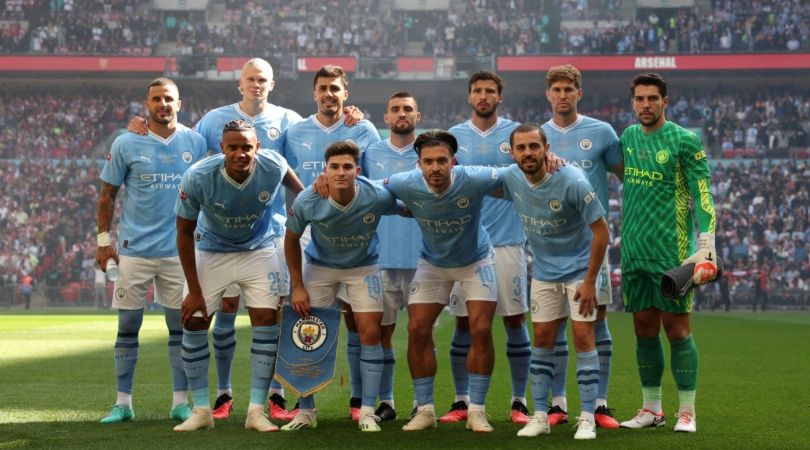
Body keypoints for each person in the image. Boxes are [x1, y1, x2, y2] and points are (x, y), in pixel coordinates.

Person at [127, 58, 362, 421]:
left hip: (270, 238)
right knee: (212, 318)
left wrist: (352, 116)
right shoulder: (209, 138)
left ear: (272, 84)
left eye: (263, 79)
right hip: (215, 243)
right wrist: (146, 124)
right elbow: (181, 136)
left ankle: (270, 400)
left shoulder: (287, 124)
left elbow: (314, 144)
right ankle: (215, 400)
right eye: (250, 79)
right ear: (240, 84)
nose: (256, 84)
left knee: (271, 318)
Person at [173, 119, 304, 432]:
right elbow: (183, 233)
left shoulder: (273, 164)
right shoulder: (198, 177)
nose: (241, 153)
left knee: (266, 321)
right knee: (194, 320)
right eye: (233, 147)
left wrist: (310, 196)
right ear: (222, 149)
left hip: (258, 250)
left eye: (247, 146)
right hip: (211, 251)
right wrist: (193, 290)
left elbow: (297, 188)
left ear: (257, 147)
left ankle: (256, 411)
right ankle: (202, 409)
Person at [96, 77, 207, 424]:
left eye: (168, 98)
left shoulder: (196, 141)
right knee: (128, 324)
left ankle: (179, 402)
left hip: (180, 252)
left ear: (179, 102)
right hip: (134, 250)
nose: (163, 104)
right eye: (156, 98)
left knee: (181, 327)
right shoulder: (127, 142)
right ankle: (123, 404)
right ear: (147, 105)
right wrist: (103, 242)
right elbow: (107, 195)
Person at [385, 130, 503, 433]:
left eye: (441, 161)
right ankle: (425, 410)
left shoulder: (474, 178)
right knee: (417, 328)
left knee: (480, 327)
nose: (435, 168)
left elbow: (516, 174)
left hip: (476, 260)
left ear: (454, 162)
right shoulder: (403, 182)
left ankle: (476, 410)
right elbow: (369, 192)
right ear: (419, 164)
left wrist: (552, 161)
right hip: (433, 264)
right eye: (428, 162)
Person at [618, 73, 717, 433]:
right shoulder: (627, 138)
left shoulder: (685, 141)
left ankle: (687, 412)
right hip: (633, 253)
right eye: (639, 99)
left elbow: (703, 195)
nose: (646, 105)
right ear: (633, 103)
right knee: (643, 330)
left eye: (652, 99)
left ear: (665, 101)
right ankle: (652, 410)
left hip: (672, 256)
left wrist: (707, 246)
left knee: (677, 331)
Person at [283, 64, 380, 421]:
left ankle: (360, 404)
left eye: (335, 89)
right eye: (323, 88)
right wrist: (309, 191)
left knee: (358, 322)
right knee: (307, 324)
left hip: (354, 233)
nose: (329, 94)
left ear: (345, 94)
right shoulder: (295, 131)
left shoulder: (363, 128)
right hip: (308, 230)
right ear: (314, 93)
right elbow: (273, 162)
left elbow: (375, 175)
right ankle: (303, 405)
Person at [282, 141, 401, 432]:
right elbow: (290, 240)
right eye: (334, 167)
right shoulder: (308, 199)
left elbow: (407, 208)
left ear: (357, 171)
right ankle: (306, 410)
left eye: (347, 166)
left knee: (371, 332)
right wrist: (297, 286)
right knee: (306, 334)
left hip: (364, 268)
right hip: (320, 268)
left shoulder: (375, 195)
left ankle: (368, 411)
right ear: (325, 170)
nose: (341, 172)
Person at [501, 123, 609, 440]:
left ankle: (587, 416)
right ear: (513, 153)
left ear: (546, 148)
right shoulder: (511, 178)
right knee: (543, 341)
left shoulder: (572, 179)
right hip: (545, 273)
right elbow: (470, 177)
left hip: (580, 272)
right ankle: (540, 415)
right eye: (521, 148)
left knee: (582, 337)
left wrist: (590, 281)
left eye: (534, 146)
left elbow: (602, 231)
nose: (528, 153)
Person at [444, 70, 532, 425]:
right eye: (478, 91)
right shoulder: (453, 137)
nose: (483, 96)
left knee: (514, 320)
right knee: (464, 323)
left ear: (499, 97)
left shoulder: (516, 135)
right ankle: (461, 400)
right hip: (464, 246)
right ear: (469, 96)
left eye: (490, 91)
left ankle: (519, 400)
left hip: (508, 241)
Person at [540, 64, 623, 429]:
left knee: (596, 321)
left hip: (592, 246)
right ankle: (557, 403)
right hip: (550, 244)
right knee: (554, 324)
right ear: (548, 94)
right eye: (556, 89)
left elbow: (624, 176)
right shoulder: (536, 136)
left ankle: (599, 403)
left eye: (568, 89)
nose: (562, 95)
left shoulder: (601, 132)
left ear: (579, 93)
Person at [360, 92, 423, 422]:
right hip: (380, 257)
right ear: (385, 118)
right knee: (381, 334)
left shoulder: (429, 153)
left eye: (408, 109)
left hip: (421, 259)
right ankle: (387, 402)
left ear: (418, 116)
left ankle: (420, 402)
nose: (402, 114)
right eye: (396, 109)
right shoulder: (370, 152)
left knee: (419, 332)